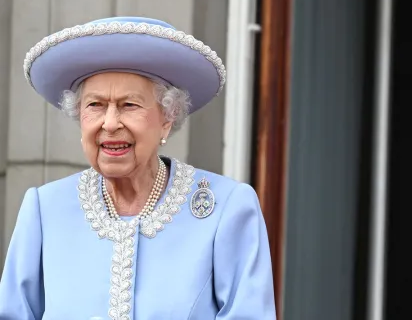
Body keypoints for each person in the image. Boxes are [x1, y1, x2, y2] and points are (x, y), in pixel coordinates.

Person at [0, 17, 276, 319]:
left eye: (129, 105)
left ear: (167, 118)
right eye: (95, 105)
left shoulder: (226, 209)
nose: (110, 122)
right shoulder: (44, 209)